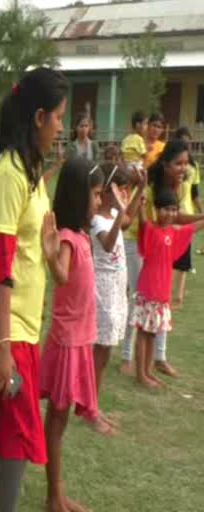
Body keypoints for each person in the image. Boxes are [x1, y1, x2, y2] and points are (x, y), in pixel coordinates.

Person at [0, 67, 67, 512]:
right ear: (39, 116)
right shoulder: (10, 172)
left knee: (7, 422)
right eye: (59, 118)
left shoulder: (30, 168)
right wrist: (3, 346)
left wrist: (49, 253)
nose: (62, 128)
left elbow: (28, 245)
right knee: (18, 428)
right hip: (3, 325)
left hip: (24, 319)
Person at [39, 158, 105, 512]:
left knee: (60, 421)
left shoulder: (81, 235)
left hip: (80, 339)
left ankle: (56, 492)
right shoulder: (67, 237)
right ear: (78, 196)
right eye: (95, 195)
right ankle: (54, 497)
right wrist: (51, 257)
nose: (98, 201)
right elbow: (62, 275)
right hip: (67, 342)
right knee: (57, 419)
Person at [135, 139, 204, 378]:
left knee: (158, 317)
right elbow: (145, 221)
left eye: (186, 163)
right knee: (139, 312)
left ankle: (158, 360)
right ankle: (131, 361)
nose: (183, 168)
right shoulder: (148, 187)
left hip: (162, 248)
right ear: (165, 164)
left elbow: (178, 218)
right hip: (138, 242)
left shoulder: (180, 185)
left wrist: (200, 217)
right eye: (178, 163)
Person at [91, 163, 145, 422]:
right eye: (122, 190)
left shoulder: (113, 214)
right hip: (102, 288)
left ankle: (92, 403)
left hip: (115, 286)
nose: (125, 194)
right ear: (109, 191)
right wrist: (122, 210)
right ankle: (90, 406)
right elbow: (109, 243)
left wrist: (140, 190)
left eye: (127, 190)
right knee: (99, 350)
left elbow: (127, 220)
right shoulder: (97, 218)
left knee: (105, 349)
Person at [118, 110, 149, 377]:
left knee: (135, 296)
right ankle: (126, 354)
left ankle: (130, 353)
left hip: (143, 239)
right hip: (129, 240)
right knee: (132, 296)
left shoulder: (145, 172)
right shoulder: (133, 174)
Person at [170, 127, 201, 306]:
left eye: (188, 144)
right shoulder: (171, 169)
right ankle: (167, 292)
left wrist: (200, 210)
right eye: (183, 143)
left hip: (187, 212)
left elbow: (195, 192)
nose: (187, 147)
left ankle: (178, 296)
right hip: (172, 213)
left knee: (184, 257)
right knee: (169, 254)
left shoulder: (194, 167)